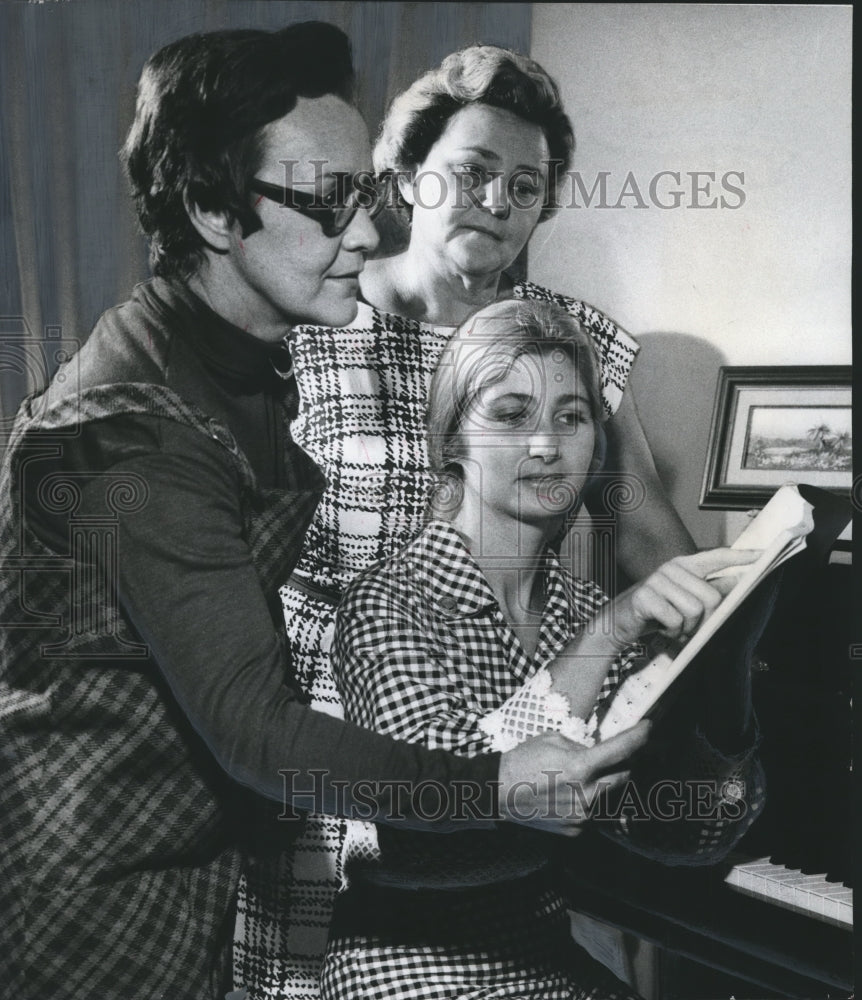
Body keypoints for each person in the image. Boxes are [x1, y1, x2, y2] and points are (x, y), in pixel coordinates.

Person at [0, 26, 651, 1000]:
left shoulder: (264, 343)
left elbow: (633, 515)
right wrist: (498, 781)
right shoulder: (149, 413)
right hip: (173, 840)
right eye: (328, 200)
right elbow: (248, 721)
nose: (361, 230)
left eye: (527, 187)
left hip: (395, 771)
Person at [237, 43, 695, 996]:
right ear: (407, 175)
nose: (498, 202)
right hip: (326, 761)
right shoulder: (310, 329)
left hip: (508, 719)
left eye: (526, 186)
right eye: (474, 172)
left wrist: (711, 623)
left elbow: (647, 533)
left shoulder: (557, 340)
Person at [319, 299, 766, 999]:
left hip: (539, 960)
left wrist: (729, 660)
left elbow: (684, 836)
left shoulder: (579, 611)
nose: (546, 445)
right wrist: (611, 632)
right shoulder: (388, 600)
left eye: (571, 416)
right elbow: (427, 829)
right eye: (509, 414)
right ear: (452, 440)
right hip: (403, 965)